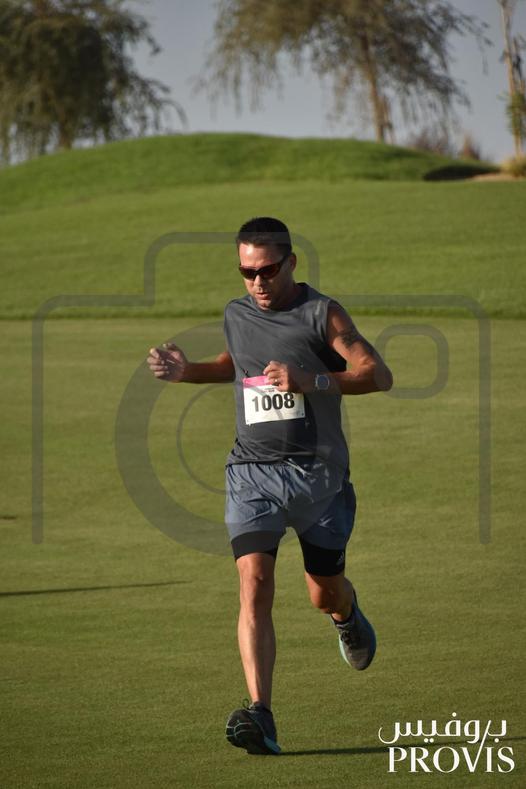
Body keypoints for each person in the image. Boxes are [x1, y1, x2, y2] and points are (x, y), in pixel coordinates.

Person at [147, 217, 393, 756]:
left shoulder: (322, 314)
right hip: (252, 471)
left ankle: (347, 615)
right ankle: (261, 712)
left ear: (290, 263)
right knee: (254, 582)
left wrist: (312, 380)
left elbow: (378, 374)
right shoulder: (236, 314)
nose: (257, 282)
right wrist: (188, 371)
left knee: (323, 591)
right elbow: (235, 367)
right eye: (246, 272)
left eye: (267, 270)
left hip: (318, 477)